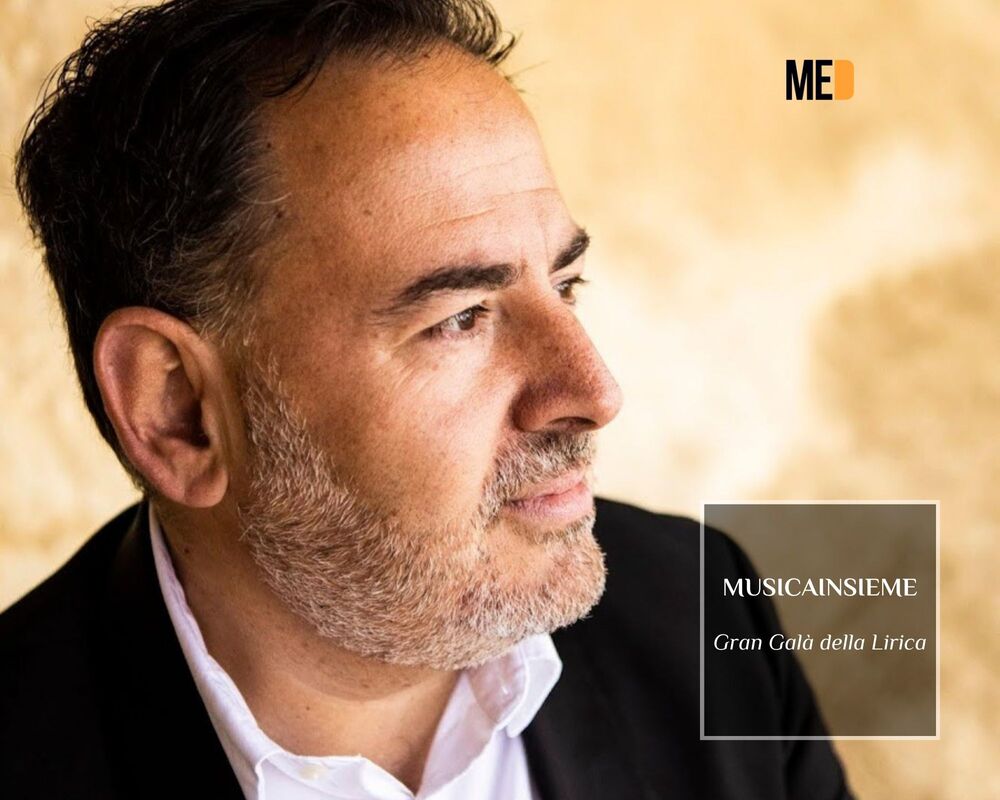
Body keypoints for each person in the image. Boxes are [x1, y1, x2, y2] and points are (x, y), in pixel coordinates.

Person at [0, 1, 854, 798]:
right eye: (460, 318)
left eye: (566, 284)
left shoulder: (704, 619)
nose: (595, 393)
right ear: (178, 411)